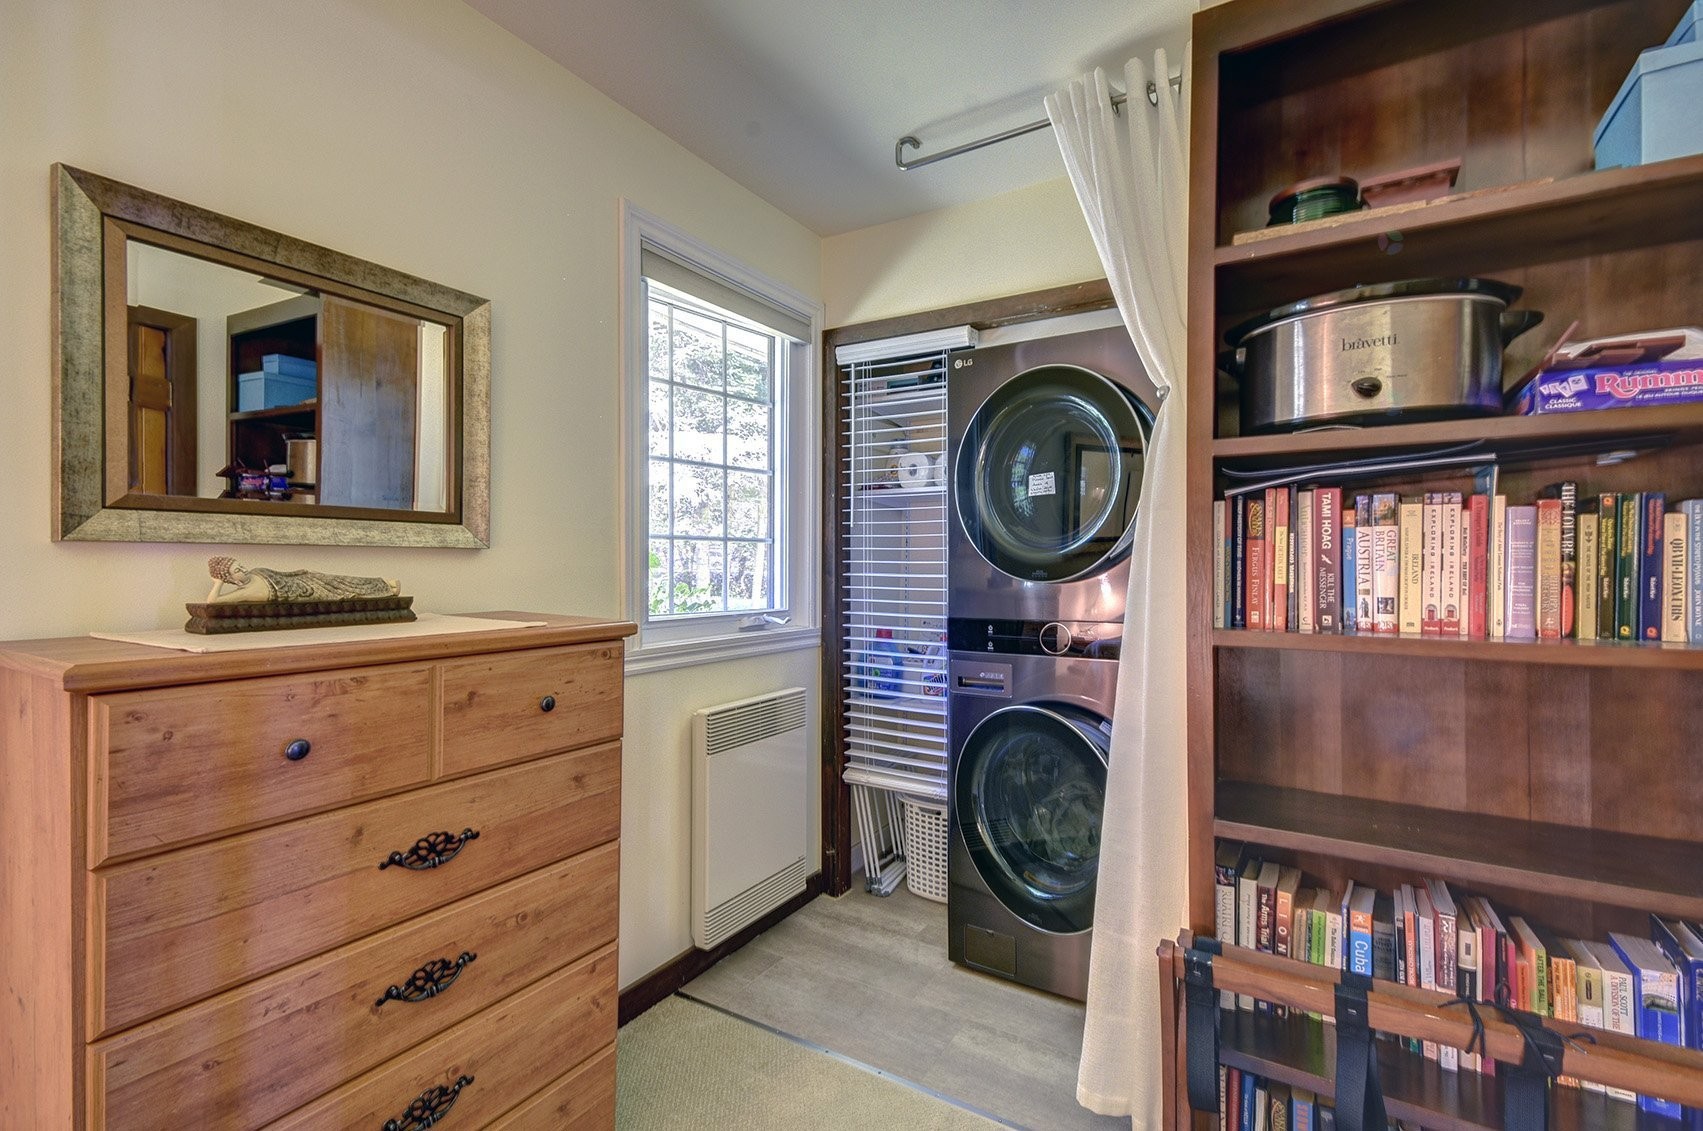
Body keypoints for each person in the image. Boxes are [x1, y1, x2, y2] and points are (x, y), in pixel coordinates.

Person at [205, 555, 400, 604]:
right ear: (230, 578)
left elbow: (283, 575)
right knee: (347, 592)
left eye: (241, 565)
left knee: (343, 579)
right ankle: (387, 589)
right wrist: (218, 583)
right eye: (238, 570)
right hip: (307, 592)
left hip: (306, 579)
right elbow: (213, 602)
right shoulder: (246, 592)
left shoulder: (256, 572)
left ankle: (384, 582)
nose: (244, 569)